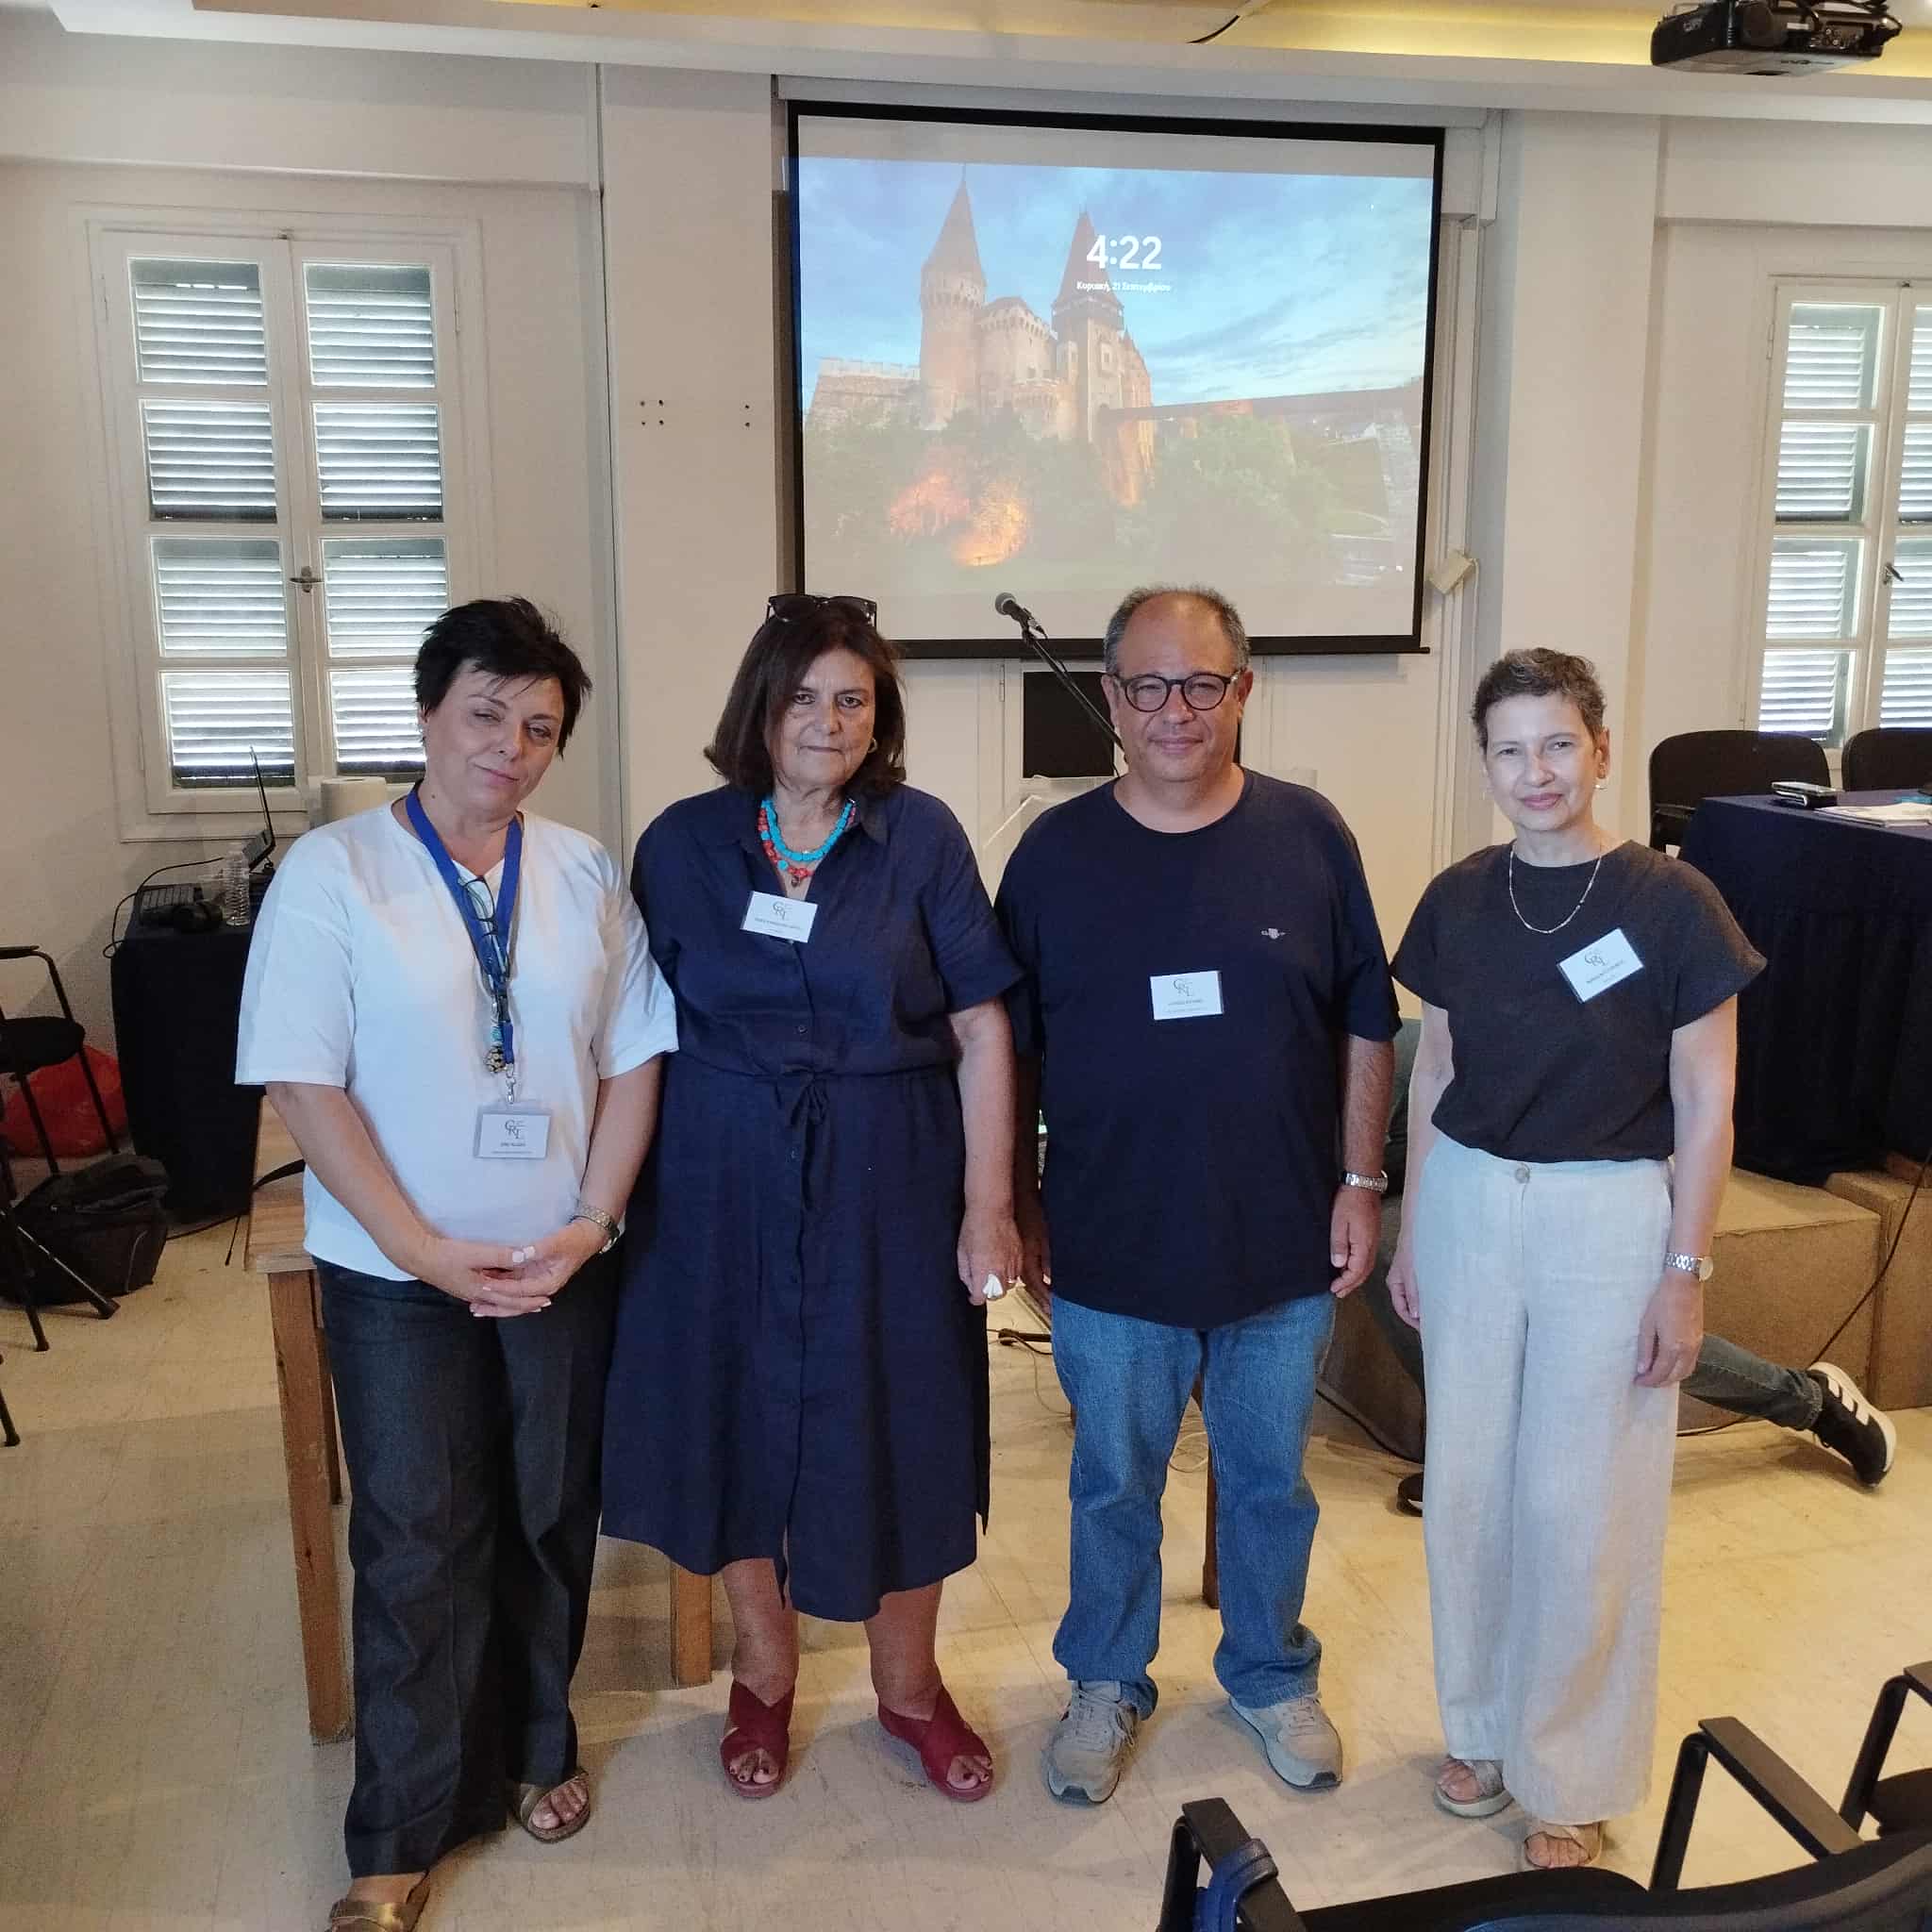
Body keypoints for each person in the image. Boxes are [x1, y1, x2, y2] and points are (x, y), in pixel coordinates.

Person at [237, 598, 677, 1932]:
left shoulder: (585, 871)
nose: (511, 746)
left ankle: (537, 1742)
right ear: (429, 714)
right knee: (416, 1531)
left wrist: (593, 1220)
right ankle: (401, 1825)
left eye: (539, 727)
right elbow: (303, 1082)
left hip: (555, 1261)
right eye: (486, 713)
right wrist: (421, 1250)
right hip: (395, 1275)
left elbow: (634, 1057)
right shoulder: (336, 872)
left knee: (547, 1510)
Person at [600, 592, 1022, 1804]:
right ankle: (763, 1670)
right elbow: (628, 1030)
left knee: (901, 1416)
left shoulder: (919, 835)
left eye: (852, 698)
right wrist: (601, 1197)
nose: (827, 720)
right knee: (733, 1413)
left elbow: (980, 1025)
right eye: (802, 696)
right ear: (759, 705)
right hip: (714, 1174)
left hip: (891, 1172)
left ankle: (908, 1686)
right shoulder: (680, 843)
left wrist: (987, 1203)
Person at [997, 584, 1397, 1807]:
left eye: (1201, 683)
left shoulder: (1310, 835)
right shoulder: (1053, 855)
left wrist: (1362, 1181)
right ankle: (1106, 1678)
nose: (1175, 709)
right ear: (1110, 698)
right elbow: (1006, 1051)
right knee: (1112, 1483)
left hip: (1278, 1240)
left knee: (1269, 1481)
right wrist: (1012, 1198)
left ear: (1243, 691)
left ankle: (1271, 1672)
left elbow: (1366, 1021)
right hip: (1110, 1239)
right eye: (1147, 685)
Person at [1388, 647, 1767, 1872]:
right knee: (1467, 1490)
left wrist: (1684, 1272)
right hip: (1470, 1205)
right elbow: (1435, 1071)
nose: (1535, 771)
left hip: (1607, 1216)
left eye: (1558, 743)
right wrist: (1413, 1223)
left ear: (1601, 750)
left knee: (1578, 1502)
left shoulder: (1674, 903)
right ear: (1484, 763)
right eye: (1509, 749)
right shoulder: (1456, 897)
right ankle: (1480, 1727)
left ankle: (1569, 1774)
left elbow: (1706, 1104)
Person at [1361, 1030, 1897, 1512]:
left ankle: (1810, 1399)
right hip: (1412, 1169)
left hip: (1499, 1157)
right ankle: (1474, 1454)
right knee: (1397, 1270)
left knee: (1623, 1337)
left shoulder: (1363, 1058)